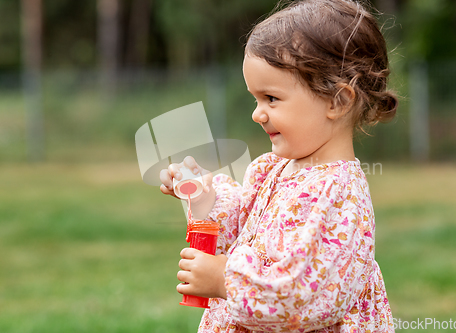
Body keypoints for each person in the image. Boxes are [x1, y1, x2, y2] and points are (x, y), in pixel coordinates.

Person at [160, 0, 398, 331]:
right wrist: (204, 198)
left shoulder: (337, 195)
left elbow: (303, 296)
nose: (258, 114)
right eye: (255, 99)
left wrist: (225, 281)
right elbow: (244, 236)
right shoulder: (271, 169)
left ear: (338, 101)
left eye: (271, 98)